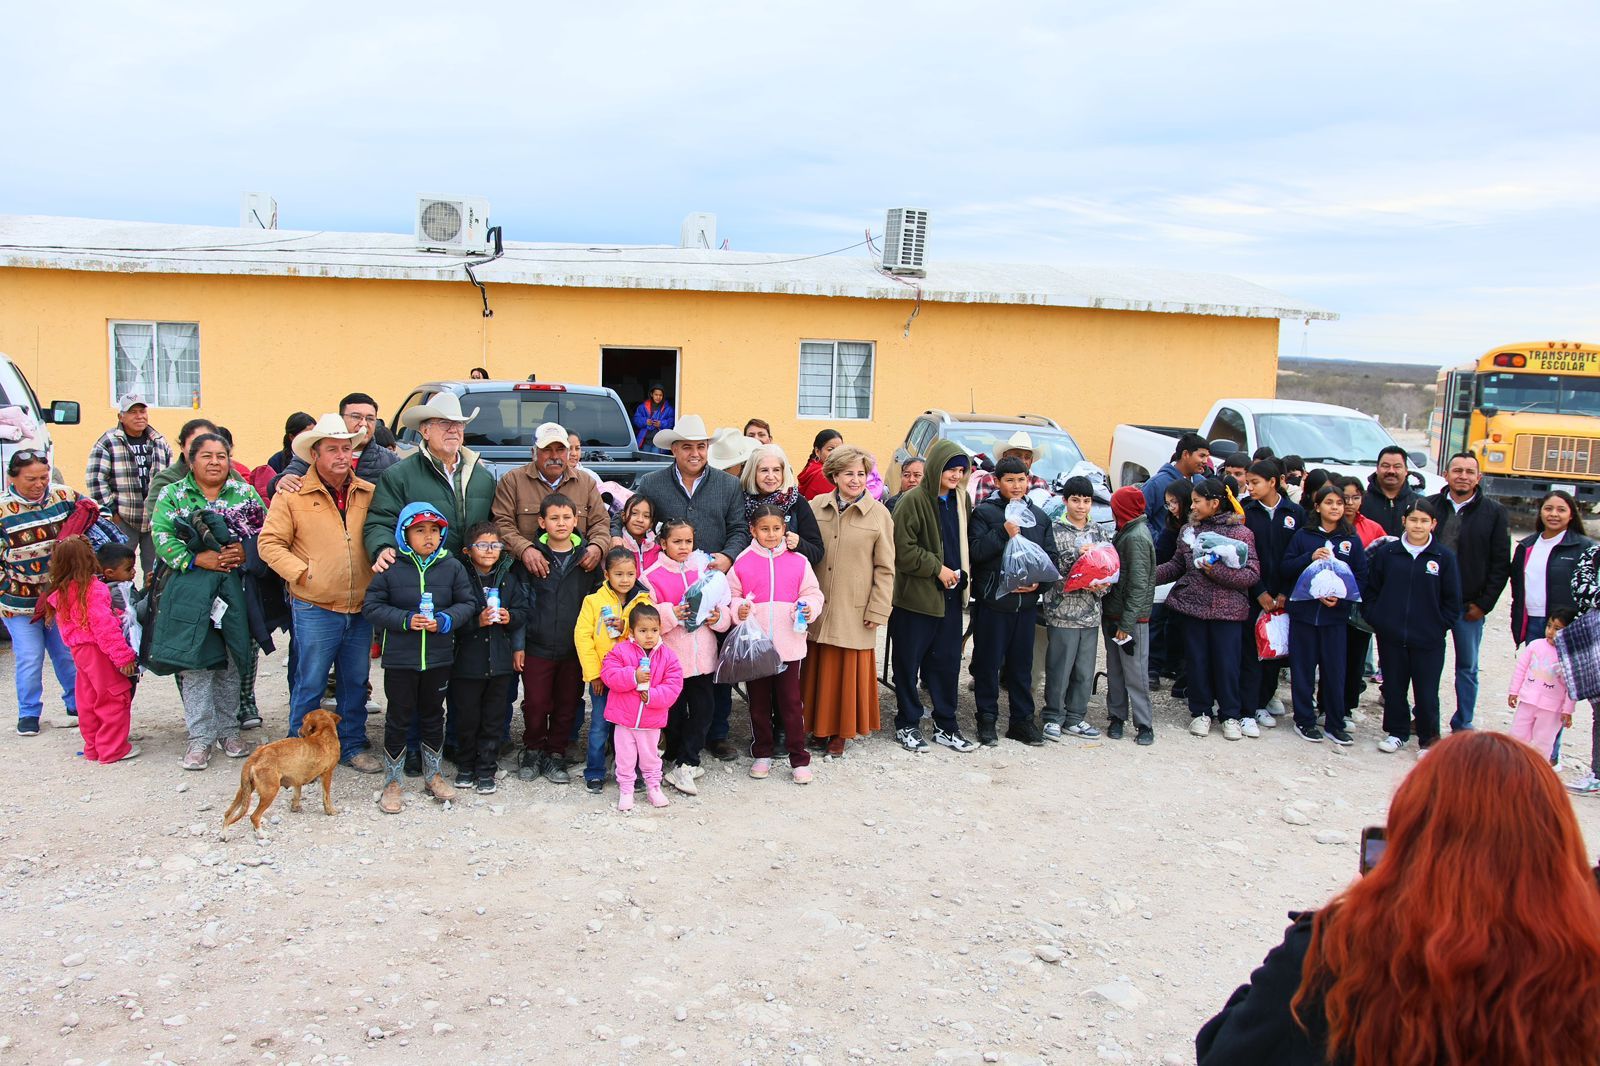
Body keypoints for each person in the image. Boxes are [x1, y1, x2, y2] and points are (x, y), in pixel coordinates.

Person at [1196, 731, 1600, 1065]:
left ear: (1411, 834)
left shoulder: (1337, 952)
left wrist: (1358, 910)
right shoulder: (1581, 962)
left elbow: (1221, 1051)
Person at [258, 415, 384, 772]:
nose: (342, 455)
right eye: (332, 449)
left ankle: (352, 744)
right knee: (310, 681)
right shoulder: (293, 494)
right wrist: (303, 574)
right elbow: (269, 543)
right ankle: (301, 748)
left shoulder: (367, 492)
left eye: (346, 448)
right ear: (315, 454)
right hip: (315, 605)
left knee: (355, 682)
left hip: (359, 605)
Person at [150, 432, 264, 770]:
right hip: (190, 589)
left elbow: (265, 531)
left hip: (236, 590)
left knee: (232, 659)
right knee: (196, 663)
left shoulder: (244, 492)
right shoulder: (174, 493)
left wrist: (243, 551)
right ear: (191, 459)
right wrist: (197, 559)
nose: (215, 462)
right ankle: (200, 738)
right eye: (207, 456)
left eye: (221, 456)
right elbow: (161, 535)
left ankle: (229, 732)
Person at [362, 504, 477, 813]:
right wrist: (405, 620)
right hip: (400, 658)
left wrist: (444, 620)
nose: (429, 537)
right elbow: (371, 606)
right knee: (398, 717)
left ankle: (433, 775)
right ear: (404, 534)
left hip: (438, 657)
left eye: (434, 530)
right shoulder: (391, 567)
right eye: (420, 530)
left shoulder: (451, 566)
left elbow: (467, 603)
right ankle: (393, 782)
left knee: (433, 715)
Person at [802, 445, 895, 757]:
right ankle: (816, 728)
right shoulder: (816, 506)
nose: (855, 480)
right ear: (834, 476)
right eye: (848, 473)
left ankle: (840, 732)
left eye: (861, 474)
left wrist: (878, 608)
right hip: (818, 605)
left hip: (854, 608)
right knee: (816, 670)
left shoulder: (879, 514)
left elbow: (885, 567)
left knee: (845, 673)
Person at [1153, 478, 1261, 740]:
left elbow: (1251, 574)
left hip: (1228, 612)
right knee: (1197, 662)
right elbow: (1177, 565)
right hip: (1193, 608)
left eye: (1197, 501)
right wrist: (1146, 574)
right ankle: (1200, 712)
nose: (1192, 506)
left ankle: (1230, 715)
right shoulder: (1189, 531)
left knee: (1227, 664)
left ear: (1214, 503)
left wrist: (1217, 572)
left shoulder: (1241, 533)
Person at [889, 441, 978, 754]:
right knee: (907, 663)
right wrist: (937, 568)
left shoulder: (961, 500)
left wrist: (960, 576)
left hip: (951, 597)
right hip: (915, 599)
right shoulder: (912, 501)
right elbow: (902, 549)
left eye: (961, 470)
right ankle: (907, 724)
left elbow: (964, 542)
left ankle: (946, 725)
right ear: (937, 467)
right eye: (950, 469)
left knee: (947, 663)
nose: (955, 475)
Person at [727, 504, 825, 783]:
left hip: (789, 646)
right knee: (758, 704)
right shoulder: (742, 562)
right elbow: (731, 596)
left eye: (776, 529)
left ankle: (799, 758)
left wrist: (807, 608)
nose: (771, 534)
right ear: (752, 530)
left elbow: (813, 594)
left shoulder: (799, 561)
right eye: (764, 529)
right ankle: (762, 752)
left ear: (785, 529)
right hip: (755, 648)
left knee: (791, 703)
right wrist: (739, 609)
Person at [967, 457, 1055, 746]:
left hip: (1025, 607)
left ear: (1028, 480)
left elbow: (1050, 559)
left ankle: (1021, 721)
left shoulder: (1039, 517)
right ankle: (987, 719)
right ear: (996, 482)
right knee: (987, 664)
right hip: (994, 604)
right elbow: (976, 552)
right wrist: (1002, 532)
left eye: (1021, 479)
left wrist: (1038, 584)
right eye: (1009, 480)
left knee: (1021, 666)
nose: (1016, 486)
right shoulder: (985, 513)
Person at [1364, 499, 1463, 754]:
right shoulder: (1388, 553)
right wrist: (1379, 619)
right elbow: (1372, 590)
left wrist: (1439, 625)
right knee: (1394, 687)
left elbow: (1452, 600)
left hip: (1428, 639)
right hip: (1392, 635)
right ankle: (1397, 732)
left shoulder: (1443, 557)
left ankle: (1428, 740)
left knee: (1426, 691)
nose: (1418, 525)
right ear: (1403, 521)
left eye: (1424, 521)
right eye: (1413, 520)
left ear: (1433, 524)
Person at [642, 518, 731, 794]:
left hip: (702, 658)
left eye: (688, 541)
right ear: (663, 543)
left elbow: (724, 606)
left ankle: (687, 762)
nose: (683, 547)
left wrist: (718, 617)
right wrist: (670, 613)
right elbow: (643, 618)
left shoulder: (704, 570)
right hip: (671, 661)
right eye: (676, 541)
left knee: (704, 710)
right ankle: (677, 756)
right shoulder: (650, 576)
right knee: (674, 713)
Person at [517, 493, 601, 785]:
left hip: (574, 648)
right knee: (536, 703)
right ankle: (533, 749)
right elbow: (521, 604)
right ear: (542, 522)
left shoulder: (587, 559)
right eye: (554, 518)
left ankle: (556, 753)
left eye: (567, 517)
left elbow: (598, 602)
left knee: (568, 703)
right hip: (537, 645)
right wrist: (519, 644)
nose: (561, 523)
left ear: (576, 520)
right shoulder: (532, 558)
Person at [1428, 452, 1511, 732]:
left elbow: (1501, 563)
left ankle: (1463, 723)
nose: (1462, 476)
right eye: (1457, 470)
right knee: (1427, 665)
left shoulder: (1494, 513)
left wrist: (1484, 604)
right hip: (1431, 603)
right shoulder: (1430, 506)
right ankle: (1425, 718)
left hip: (1469, 606)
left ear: (1479, 477)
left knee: (1467, 667)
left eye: (1469, 472)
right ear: (1446, 474)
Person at [0, 449, 81, 734]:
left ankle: (77, 704)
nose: (39, 485)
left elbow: (95, 515)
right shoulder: (2, 510)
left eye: (44, 478)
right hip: (19, 602)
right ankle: (29, 713)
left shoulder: (64, 496)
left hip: (60, 597)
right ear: (12, 478)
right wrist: (6, 588)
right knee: (30, 657)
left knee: (67, 653)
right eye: (31, 479)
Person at [1281, 485, 1368, 745]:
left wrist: (1340, 596)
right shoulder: (1303, 536)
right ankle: (1304, 720)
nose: (1335, 507)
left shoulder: (1350, 540)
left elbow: (1361, 577)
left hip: (1335, 618)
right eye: (1329, 502)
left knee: (1335, 671)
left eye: (1339, 503)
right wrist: (1308, 558)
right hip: (1304, 616)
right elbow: (1286, 568)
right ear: (1317, 507)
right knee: (1303, 670)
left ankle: (1334, 722)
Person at [366, 393, 495, 565]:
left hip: (473, 574)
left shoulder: (483, 477)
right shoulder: (398, 476)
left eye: (459, 424)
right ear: (425, 431)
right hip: (422, 573)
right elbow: (381, 522)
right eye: (444, 423)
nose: (453, 429)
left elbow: (494, 525)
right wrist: (383, 548)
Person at [41, 537, 139, 763]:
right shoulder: (94, 589)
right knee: (114, 696)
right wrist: (123, 658)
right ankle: (113, 749)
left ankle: (94, 747)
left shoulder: (60, 591)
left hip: (80, 653)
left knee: (88, 699)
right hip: (99, 652)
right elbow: (105, 629)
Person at [449, 522, 529, 795]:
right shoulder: (460, 578)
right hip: (467, 663)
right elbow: (451, 618)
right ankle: (465, 766)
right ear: (467, 550)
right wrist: (476, 621)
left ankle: (486, 769)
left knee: (493, 719)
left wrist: (510, 616)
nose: (489, 550)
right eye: (482, 545)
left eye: (495, 545)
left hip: (499, 662)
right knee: (466, 718)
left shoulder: (507, 578)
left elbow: (522, 611)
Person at [574, 547, 654, 795]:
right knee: (600, 725)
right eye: (619, 574)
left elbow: (649, 634)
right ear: (606, 574)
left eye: (630, 574)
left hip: (632, 678)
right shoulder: (593, 601)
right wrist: (594, 675)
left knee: (630, 727)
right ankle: (595, 771)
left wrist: (626, 627)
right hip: (604, 678)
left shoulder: (643, 601)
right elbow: (583, 638)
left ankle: (630, 772)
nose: (625, 579)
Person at [492, 421, 610, 581]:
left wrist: (597, 547)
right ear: (533, 452)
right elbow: (501, 523)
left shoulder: (586, 482)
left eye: (560, 449)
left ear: (568, 452)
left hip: (576, 576)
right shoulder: (512, 481)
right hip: (526, 577)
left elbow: (601, 522)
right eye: (547, 449)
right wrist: (524, 549)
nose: (554, 456)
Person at [632, 414, 750, 573]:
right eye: (687, 447)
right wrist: (616, 536)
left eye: (701, 446)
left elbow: (739, 529)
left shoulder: (729, 484)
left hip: (714, 575)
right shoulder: (651, 483)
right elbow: (629, 515)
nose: (695, 453)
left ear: (707, 448)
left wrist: (728, 556)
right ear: (674, 450)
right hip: (666, 576)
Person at [1040, 475, 1110, 741]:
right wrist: (1076, 558)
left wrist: (1101, 585)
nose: (1081, 506)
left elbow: (1109, 568)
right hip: (1062, 612)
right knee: (1059, 668)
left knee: (1084, 669)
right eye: (1076, 500)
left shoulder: (1099, 532)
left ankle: (1076, 717)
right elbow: (1048, 569)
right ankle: (1053, 717)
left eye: (1086, 501)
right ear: (1065, 501)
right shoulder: (1054, 531)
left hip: (1090, 612)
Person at [1239, 459, 1306, 730]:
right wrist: (1259, 591)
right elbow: (1243, 556)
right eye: (1248, 483)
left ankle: (1263, 702)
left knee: (1274, 651)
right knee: (1251, 652)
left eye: (1255, 482)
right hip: (1254, 593)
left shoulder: (1295, 513)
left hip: (1284, 596)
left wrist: (1284, 593)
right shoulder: (1246, 511)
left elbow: (1300, 555)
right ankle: (1247, 707)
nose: (1250, 488)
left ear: (1273, 482)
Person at [600, 604, 683, 811]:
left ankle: (654, 788)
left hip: (650, 721)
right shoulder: (620, 651)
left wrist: (653, 696)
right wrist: (633, 676)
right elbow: (609, 674)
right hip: (624, 721)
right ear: (631, 631)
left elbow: (674, 686)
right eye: (643, 630)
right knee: (625, 757)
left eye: (654, 630)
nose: (649, 636)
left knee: (650, 757)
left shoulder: (668, 656)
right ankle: (626, 790)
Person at [84, 395, 173, 579]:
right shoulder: (108, 441)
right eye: (133, 412)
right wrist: (112, 512)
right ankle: (121, 598)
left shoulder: (159, 441)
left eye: (142, 411)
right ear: (120, 416)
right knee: (117, 570)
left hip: (154, 518)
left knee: (156, 571)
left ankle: (151, 597)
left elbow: (170, 478)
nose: (139, 416)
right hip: (123, 518)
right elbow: (96, 480)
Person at [1101, 486, 1156, 744]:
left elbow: (1138, 586)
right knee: (1115, 670)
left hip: (1130, 620)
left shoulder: (1136, 537)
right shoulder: (1126, 531)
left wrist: (1126, 623)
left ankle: (1144, 725)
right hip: (1115, 615)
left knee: (1135, 674)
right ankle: (1116, 716)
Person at [1509, 489, 1591, 646]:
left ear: (1571, 515)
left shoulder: (1585, 547)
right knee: (1537, 662)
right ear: (1540, 512)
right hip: (1533, 621)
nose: (1554, 514)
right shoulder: (1526, 546)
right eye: (1548, 508)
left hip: (1568, 625)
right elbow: (1517, 586)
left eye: (1561, 510)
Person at [271, 393, 399, 493]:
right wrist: (281, 481)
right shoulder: (316, 452)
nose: (364, 424)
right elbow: (284, 480)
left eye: (370, 418)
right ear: (341, 418)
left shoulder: (391, 460)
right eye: (356, 417)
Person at [741, 444, 824, 567]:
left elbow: (817, 553)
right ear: (753, 472)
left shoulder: (796, 501)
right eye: (764, 470)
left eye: (776, 470)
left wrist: (799, 544)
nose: (771, 476)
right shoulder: (740, 500)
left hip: (786, 574)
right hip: (748, 573)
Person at [1509, 608, 1577, 755]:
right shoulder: (1535, 645)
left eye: (1557, 629)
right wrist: (1514, 691)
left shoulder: (1570, 656)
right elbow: (1521, 668)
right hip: (1527, 701)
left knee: (1543, 744)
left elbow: (1572, 687)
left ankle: (1538, 768)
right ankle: (1513, 765)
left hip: (1551, 710)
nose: (1551, 631)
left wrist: (1567, 710)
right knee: (1516, 737)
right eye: (1549, 626)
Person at [1148, 480, 1193, 697]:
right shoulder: (1171, 526)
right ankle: (1153, 667)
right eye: (1168, 503)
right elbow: (1162, 555)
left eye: (1175, 502)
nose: (1172, 507)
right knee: (1157, 618)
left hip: (1189, 588)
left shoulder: (1197, 528)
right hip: (1167, 582)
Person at [142, 418, 218, 515]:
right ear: (182, 446)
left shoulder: (231, 477)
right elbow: (159, 518)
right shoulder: (166, 481)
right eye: (195, 444)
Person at [1141, 432, 1210, 528]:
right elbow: (1140, 520)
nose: (1205, 461)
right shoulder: (1156, 484)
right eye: (1202, 456)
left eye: (1207, 457)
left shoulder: (1202, 482)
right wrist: (1157, 537)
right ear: (1185, 454)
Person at [966, 431, 1049, 503]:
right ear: (1005, 456)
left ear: (1031, 461)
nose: (1023, 461)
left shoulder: (1040, 483)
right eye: (1018, 456)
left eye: (1027, 457)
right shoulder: (989, 480)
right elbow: (982, 512)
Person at [1359, 445, 1419, 537]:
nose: (1391, 471)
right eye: (1386, 466)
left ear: (1406, 470)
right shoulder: (1360, 501)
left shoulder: (1418, 503)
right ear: (1377, 469)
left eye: (1397, 466)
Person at [613, 495, 659, 577]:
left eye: (646, 516)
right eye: (634, 513)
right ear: (623, 516)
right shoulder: (616, 544)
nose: (640, 520)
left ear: (651, 523)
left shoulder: (657, 548)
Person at [797, 429, 842, 500]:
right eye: (830, 449)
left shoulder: (813, 466)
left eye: (840, 449)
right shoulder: (824, 474)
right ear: (817, 451)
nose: (836, 454)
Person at [633, 385, 675, 454]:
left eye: (660, 395)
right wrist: (645, 421)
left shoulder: (668, 408)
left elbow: (672, 421)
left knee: (656, 460)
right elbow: (636, 419)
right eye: (656, 395)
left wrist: (661, 424)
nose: (658, 397)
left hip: (659, 442)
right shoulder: (643, 407)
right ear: (651, 394)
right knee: (645, 459)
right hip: (645, 441)